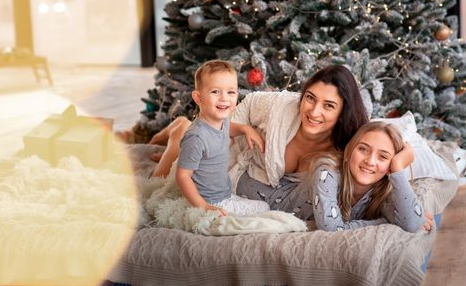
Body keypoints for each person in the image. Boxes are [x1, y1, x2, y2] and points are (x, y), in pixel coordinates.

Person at [150, 64, 369, 184]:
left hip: (251, 160)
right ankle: (180, 130)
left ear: (343, 111)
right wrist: (242, 128)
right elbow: (252, 101)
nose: (314, 111)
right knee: (163, 182)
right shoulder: (281, 107)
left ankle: (182, 127)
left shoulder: (348, 144)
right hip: (241, 136)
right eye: (310, 98)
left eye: (328, 106)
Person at [237, 121, 434, 232]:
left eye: (383, 157)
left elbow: (412, 223)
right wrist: (385, 221)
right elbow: (331, 229)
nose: (371, 161)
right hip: (255, 189)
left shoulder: (384, 187)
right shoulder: (327, 171)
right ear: (349, 152)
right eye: (363, 149)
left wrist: (398, 170)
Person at [175, 60, 270, 216]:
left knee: (262, 205)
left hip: (225, 194)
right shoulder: (196, 137)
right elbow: (183, 176)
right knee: (265, 208)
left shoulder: (222, 121)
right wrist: (204, 207)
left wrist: (244, 128)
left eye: (230, 92)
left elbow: (227, 129)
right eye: (215, 92)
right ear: (198, 98)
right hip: (211, 201)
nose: (224, 98)